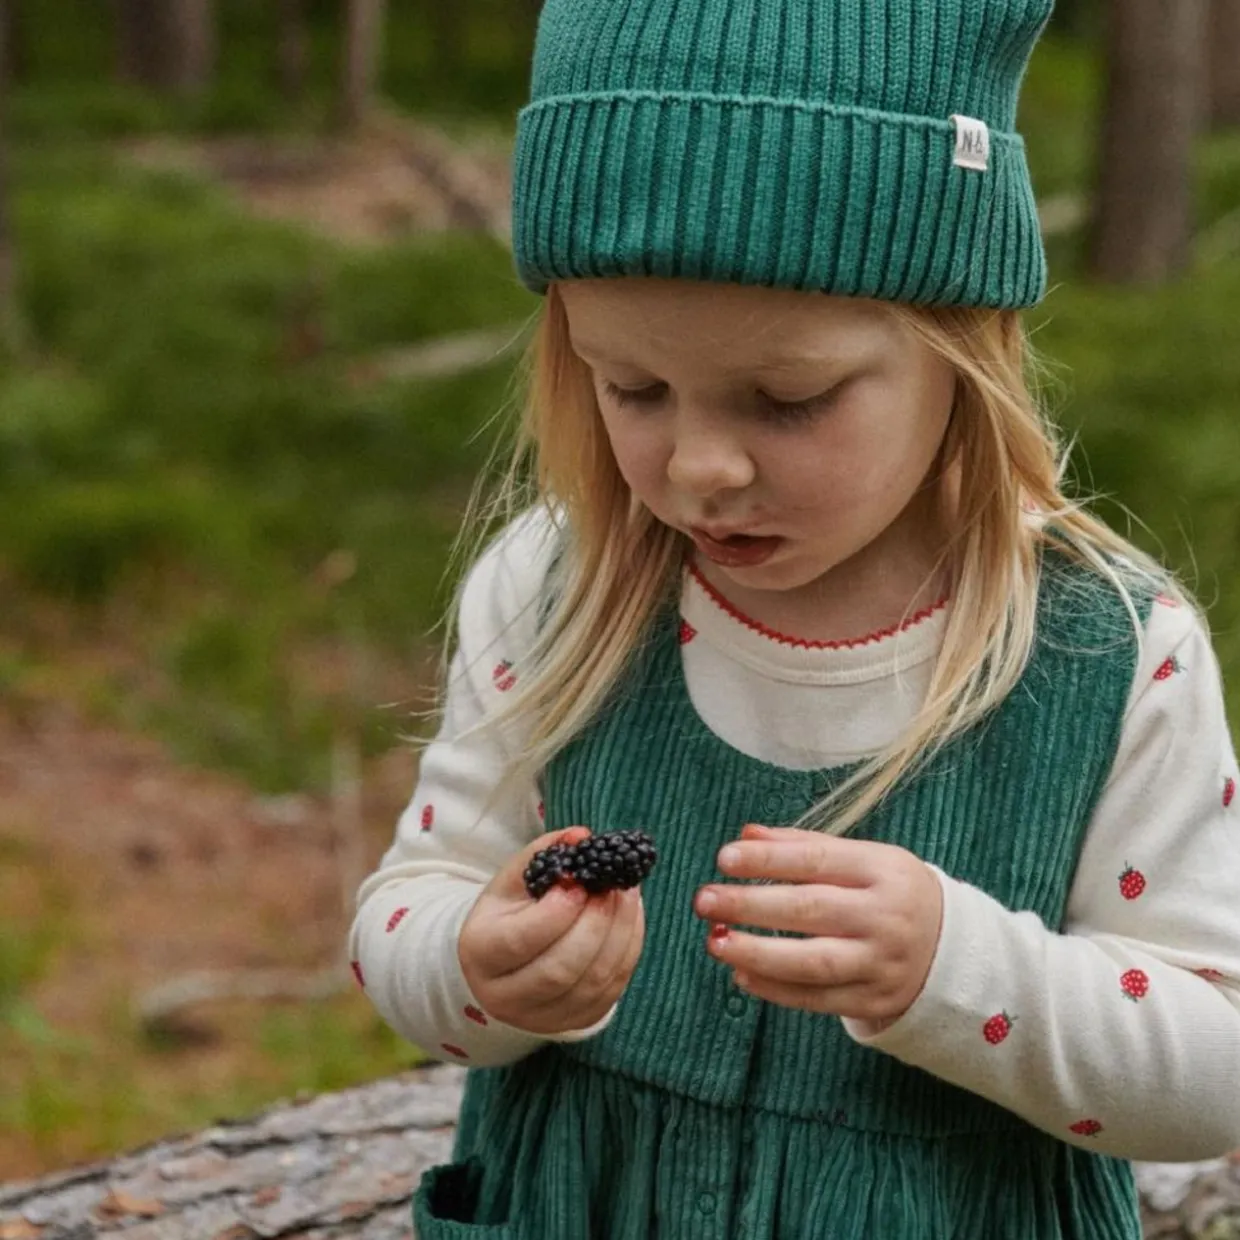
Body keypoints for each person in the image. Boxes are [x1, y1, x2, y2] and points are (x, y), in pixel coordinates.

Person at [348, 0, 1240, 1235]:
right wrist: (476, 964)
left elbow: (1214, 1067)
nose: (702, 466)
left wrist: (960, 970)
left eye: (786, 399)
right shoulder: (555, 588)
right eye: (635, 387)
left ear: (959, 346)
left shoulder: (1105, 655)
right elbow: (416, 900)